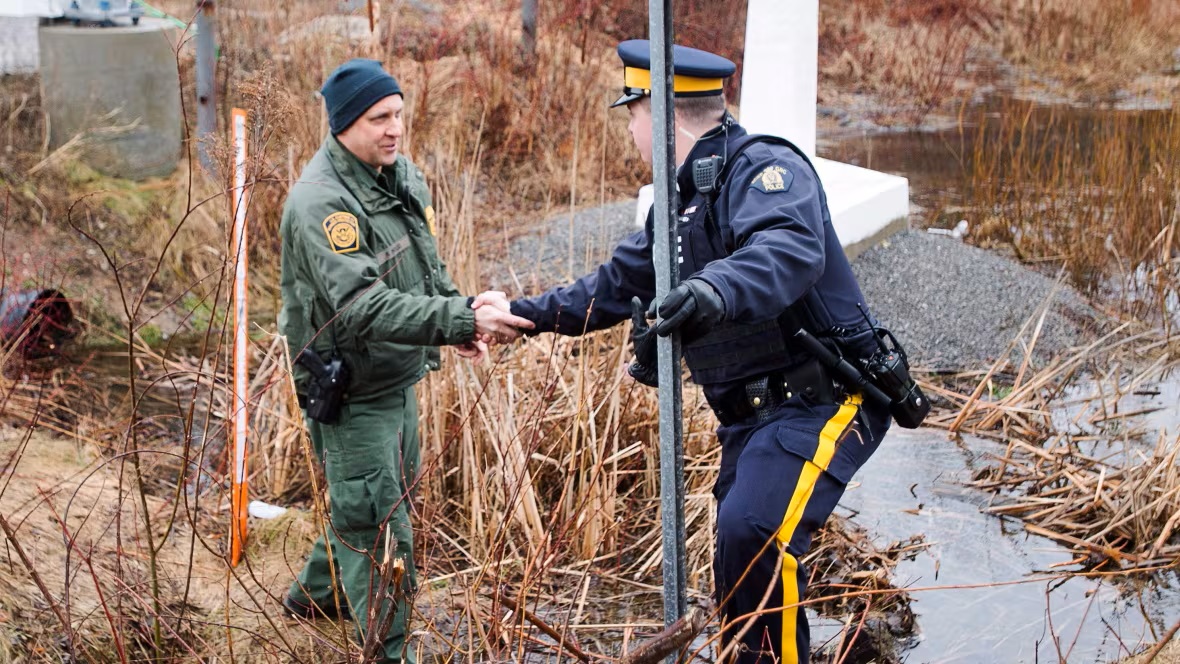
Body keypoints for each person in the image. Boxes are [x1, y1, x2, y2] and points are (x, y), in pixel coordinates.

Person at [494, 41, 893, 663]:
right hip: (752, 417)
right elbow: (611, 286)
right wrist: (521, 316)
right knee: (736, 558)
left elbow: (785, 249)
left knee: (755, 534)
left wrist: (711, 290)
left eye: (631, 115)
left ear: (660, 117)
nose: (629, 130)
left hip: (826, 399)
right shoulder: (675, 207)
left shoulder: (764, 172)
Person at [277, 58, 533, 663]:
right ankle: (391, 654)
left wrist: (454, 314)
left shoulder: (391, 172)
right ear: (343, 124)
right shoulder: (322, 205)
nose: (394, 129)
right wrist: (459, 320)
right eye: (378, 118)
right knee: (380, 527)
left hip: (395, 374)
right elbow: (361, 307)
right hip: (351, 389)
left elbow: (422, 261)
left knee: (380, 501)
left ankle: (315, 598)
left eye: (398, 115)